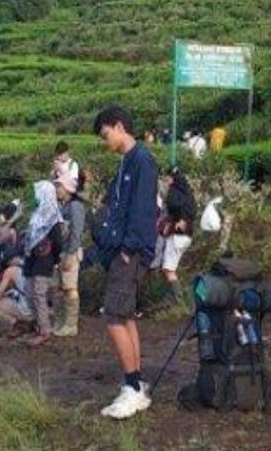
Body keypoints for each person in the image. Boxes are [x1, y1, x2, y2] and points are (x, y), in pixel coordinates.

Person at [93, 105, 158, 420]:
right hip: (123, 251)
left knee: (114, 317)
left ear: (119, 126)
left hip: (129, 253)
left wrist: (128, 249)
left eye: (106, 135)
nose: (106, 142)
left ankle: (132, 387)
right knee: (126, 315)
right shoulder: (128, 162)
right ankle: (137, 383)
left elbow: (143, 209)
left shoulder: (142, 160)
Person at [22, 181, 64, 347]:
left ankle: (45, 330)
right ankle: (37, 324)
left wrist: (54, 259)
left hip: (44, 260)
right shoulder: (37, 214)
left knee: (39, 294)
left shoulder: (53, 217)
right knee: (29, 293)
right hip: (32, 259)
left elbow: (58, 242)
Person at [152, 167, 197, 303]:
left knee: (168, 269)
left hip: (177, 236)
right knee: (171, 267)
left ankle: (178, 298)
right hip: (187, 235)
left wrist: (177, 220)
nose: (167, 180)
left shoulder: (174, 193)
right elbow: (192, 210)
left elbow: (173, 206)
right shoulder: (188, 193)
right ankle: (174, 297)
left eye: (169, 178)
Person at [53, 174, 87, 338]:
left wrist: (71, 253)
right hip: (62, 252)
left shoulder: (75, 206)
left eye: (59, 186)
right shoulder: (63, 205)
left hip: (70, 252)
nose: (57, 190)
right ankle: (60, 322)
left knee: (70, 287)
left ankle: (71, 325)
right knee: (60, 288)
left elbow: (76, 231)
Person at [0, 245, 34, 339]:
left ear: (9, 261)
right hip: (39, 308)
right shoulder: (31, 263)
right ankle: (32, 323)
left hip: (26, 310)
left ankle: (18, 325)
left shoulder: (11, 270)